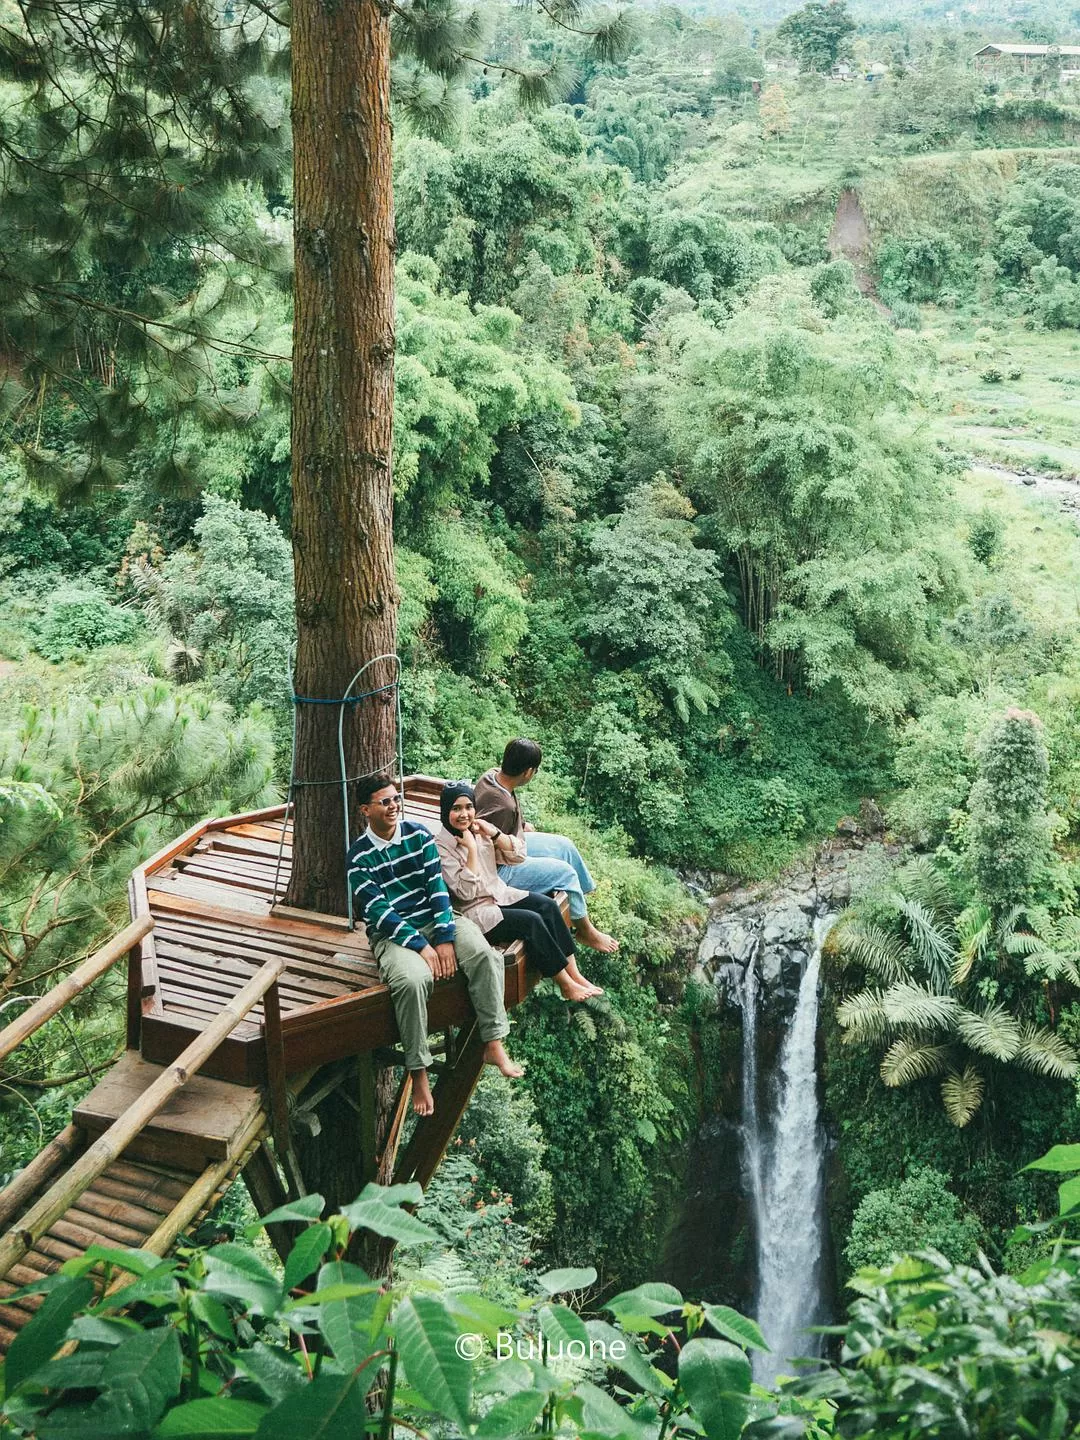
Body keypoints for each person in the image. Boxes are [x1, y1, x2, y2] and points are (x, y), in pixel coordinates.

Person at [346, 774, 524, 1117]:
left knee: (484, 956)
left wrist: (443, 938)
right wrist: (421, 947)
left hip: (436, 918)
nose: (393, 806)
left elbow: (437, 889)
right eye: (384, 802)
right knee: (413, 981)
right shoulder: (358, 857)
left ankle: (493, 1040)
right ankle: (418, 1070)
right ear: (365, 810)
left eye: (395, 799)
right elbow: (378, 913)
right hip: (393, 934)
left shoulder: (418, 835)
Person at [435, 782, 602, 1002]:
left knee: (548, 906)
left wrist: (495, 834)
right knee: (531, 922)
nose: (464, 814)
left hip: (498, 894)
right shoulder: (441, 847)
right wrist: (472, 851)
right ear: (445, 811)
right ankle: (565, 983)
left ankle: (575, 974)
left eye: (469, 807)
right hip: (476, 912)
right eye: (456, 808)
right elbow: (466, 893)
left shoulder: (477, 830)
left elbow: (518, 856)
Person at [474, 738, 619, 955]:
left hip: (509, 842)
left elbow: (491, 814)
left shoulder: (491, 776)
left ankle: (579, 905)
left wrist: (520, 825)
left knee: (564, 846)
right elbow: (494, 845)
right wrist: (514, 838)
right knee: (566, 874)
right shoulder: (504, 807)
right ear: (528, 772)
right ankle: (585, 931)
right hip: (498, 869)